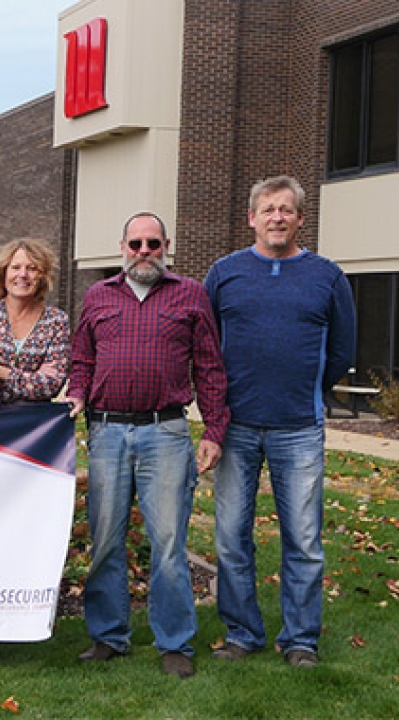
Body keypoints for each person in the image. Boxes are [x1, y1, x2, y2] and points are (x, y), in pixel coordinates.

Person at [66, 212, 229, 678]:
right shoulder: (99, 295)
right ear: (122, 246)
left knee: (169, 543)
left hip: (166, 433)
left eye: (152, 243)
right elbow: (83, 358)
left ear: (166, 246)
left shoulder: (190, 294)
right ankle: (107, 636)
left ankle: (174, 641)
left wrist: (214, 430)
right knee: (105, 541)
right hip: (107, 433)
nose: (143, 251)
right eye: (135, 243)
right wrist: (77, 393)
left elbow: (210, 368)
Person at [204, 176, 356, 669]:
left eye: (286, 210)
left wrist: (306, 389)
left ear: (300, 219)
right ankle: (242, 632)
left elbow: (342, 352)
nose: (277, 217)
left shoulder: (327, 276)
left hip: (299, 427)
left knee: (304, 539)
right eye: (268, 209)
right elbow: (205, 348)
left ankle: (301, 640)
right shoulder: (224, 274)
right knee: (230, 536)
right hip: (236, 426)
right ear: (251, 217)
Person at [0, 238, 70, 403]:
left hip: (34, 425)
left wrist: (0, 371)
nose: (23, 274)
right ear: (3, 273)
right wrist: (33, 377)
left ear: (42, 276)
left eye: (32, 268)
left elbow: (52, 385)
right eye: (15, 267)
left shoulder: (56, 321)